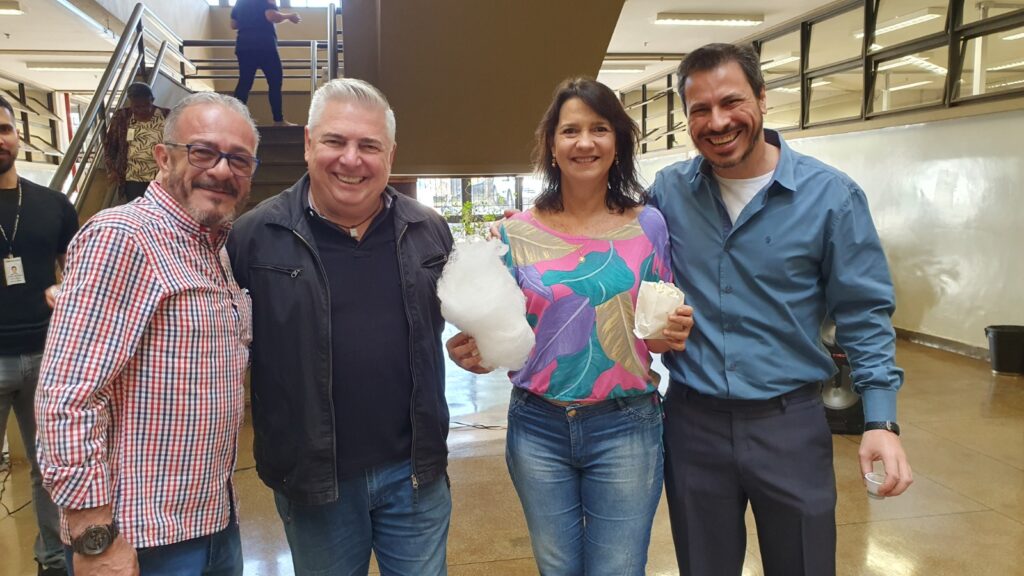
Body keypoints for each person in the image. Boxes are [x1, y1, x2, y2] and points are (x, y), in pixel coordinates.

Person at [649, 43, 913, 575]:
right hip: (693, 425)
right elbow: (619, 250)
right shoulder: (669, 192)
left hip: (789, 424)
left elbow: (863, 312)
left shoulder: (831, 196)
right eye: (700, 109)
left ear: (762, 99)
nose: (717, 122)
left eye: (731, 101)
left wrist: (881, 420)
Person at [446, 78, 689, 576]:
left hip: (626, 425)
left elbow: (653, 333)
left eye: (599, 129)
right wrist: (471, 351)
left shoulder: (650, 226)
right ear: (552, 145)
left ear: (617, 142)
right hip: (538, 427)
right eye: (570, 130)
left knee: (618, 568)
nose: (584, 142)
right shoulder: (514, 234)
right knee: (557, 567)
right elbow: (498, 337)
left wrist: (673, 334)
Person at [227, 78, 454, 576]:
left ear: (390, 155)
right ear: (309, 143)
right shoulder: (254, 237)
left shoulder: (428, 230)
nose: (351, 160)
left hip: (415, 475)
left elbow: (457, 320)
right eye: (336, 141)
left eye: (369, 145)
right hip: (315, 483)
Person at [35, 92, 258, 576]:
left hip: (213, 520)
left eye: (239, 159)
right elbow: (68, 398)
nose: (222, 170)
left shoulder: (213, 249)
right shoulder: (122, 237)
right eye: (203, 152)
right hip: (140, 537)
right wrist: (94, 536)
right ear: (163, 156)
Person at [0, 94, 77, 576]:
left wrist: (67, 291)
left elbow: (77, 271)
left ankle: (52, 561)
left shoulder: (52, 205)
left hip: (48, 356)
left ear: (16, 135)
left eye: (4, 129)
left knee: (51, 469)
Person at [231, 0, 301, 126]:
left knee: (244, 83)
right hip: (264, 45)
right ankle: (278, 120)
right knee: (275, 82)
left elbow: (233, 24)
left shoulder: (240, 2)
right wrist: (289, 16)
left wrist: (249, 20)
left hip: (244, 45)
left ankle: (234, 120)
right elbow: (271, 16)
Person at [103, 82, 170, 202]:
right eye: (136, 107)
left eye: (146, 105)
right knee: (137, 209)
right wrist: (112, 169)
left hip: (161, 175)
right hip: (133, 177)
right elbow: (110, 145)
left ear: (152, 100)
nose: (141, 110)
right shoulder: (122, 116)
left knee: (160, 208)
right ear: (130, 102)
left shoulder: (166, 115)